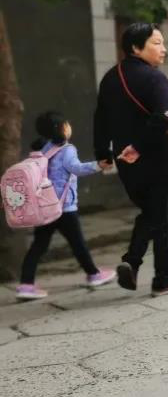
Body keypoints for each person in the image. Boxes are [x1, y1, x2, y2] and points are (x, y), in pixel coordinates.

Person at [93, 22, 168, 297]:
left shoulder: (111, 78)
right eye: (156, 43)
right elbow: (163, 117)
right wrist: (139, 145)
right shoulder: (154, 78)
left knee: (152, 213)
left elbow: (99, 118)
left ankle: (132, 262)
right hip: (159, 159)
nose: (164, 49)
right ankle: (162, 280)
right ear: (136, 47)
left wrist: (103, 152)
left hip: (128, 164)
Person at [16, 111, 115, 300]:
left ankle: (26, 285)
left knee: (38, 247)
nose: (69, 126)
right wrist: (98, 165)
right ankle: (94, 274)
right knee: (78, 244)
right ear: (60, 129)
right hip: (64, 207)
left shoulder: (41, 149)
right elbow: (76, 168)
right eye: (66, 124)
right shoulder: (67, 149)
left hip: (45, 207)